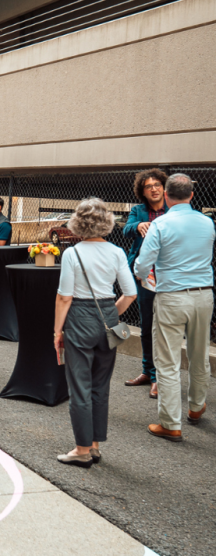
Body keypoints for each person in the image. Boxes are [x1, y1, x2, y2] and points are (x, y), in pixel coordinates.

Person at [53, 198, 137, 468]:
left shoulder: (72, 253)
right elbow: (131, 293)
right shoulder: (116, 252)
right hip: (108, 318)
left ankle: (81, 449)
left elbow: (64, 297)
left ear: (78, 223)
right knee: (100, 386)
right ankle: (95, 444)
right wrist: (110, 313)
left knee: (79, 386)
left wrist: (57, 331)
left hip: (79, 316)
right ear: (107, 223)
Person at [134, 173, 215, 442]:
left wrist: (145, 278)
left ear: (166, 196)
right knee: (199, 353)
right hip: (203, 295)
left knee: (167, 361)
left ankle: (171, 423)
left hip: (171, 296)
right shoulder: (208, 223)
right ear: (192, 195)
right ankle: (196, 407)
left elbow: (143, 265)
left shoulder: (161, 224)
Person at [122, 169, 169, 399]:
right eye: (148, 185)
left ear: (164, 187)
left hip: (170, 276)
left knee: (164, 328)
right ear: (142, 191)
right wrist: (138, 225)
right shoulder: (138, 210)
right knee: (146, 326)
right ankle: (147, 372)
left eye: (157, 184)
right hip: (144, 276)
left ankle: (160, 377)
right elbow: (125, 228)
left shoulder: (173, 210)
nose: (153, 188)